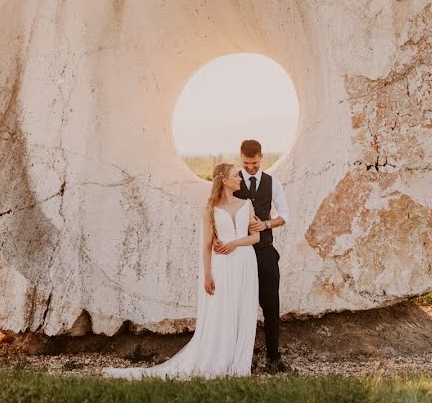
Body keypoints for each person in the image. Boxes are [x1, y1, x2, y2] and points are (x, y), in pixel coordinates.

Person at [103, 162, 260, 379]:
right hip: (222, 265)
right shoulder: (209, 210)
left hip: (245, 262)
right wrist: (207, 274)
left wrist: (235, 243)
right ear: (224, 180)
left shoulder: (247, 204)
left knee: (242, 308)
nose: (240, 179)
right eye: (236, 175)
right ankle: (219, 357)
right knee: (223, 309)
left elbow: (256, 237)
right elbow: (206, 245)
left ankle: (238, 361)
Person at [215, 139, 291, 373]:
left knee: (271, 306)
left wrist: (266, 224)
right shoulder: (232, 181)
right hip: (238, 255)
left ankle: (273, 358)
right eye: (246, 163)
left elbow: (285, 215)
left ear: (261, 157)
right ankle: (238, 358)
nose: (250, 168)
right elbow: (217, 208)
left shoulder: (272, 183)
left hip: (266, 253)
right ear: (241, 158)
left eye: (255, 163)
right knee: (237, 307)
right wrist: (218, 236)